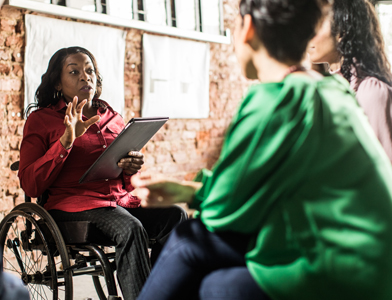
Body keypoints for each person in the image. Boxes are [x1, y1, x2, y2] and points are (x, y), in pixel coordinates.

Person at [131, 0, 392, 299]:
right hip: (374, 264)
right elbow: (254, 188)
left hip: (340, 270)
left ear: (248, 28)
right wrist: (189, 191)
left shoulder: (278, 98)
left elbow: (223, 211)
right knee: (209, 276)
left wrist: (196, 194)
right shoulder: (333, 89)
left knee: (192, 245)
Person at [18, 46, 187, 300]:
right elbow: (30, 184)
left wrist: (130, 168)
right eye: (74, 72)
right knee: (130, 228)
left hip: (116, 201)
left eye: (90, 71)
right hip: (72, 207)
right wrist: (66, 140)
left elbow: (124, 179)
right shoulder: (42, 121)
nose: (85, 77)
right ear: (58, 82)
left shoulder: (113, 117)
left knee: (176, 216)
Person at [308, 0, 392, 162]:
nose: (308, 35)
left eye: (317, 25)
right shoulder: (331, 86)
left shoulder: (371, 92)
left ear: (342, 32)